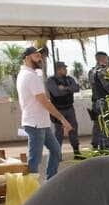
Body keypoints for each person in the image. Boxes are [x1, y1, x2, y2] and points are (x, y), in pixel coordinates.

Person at [17, 47, 72, 180]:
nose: (40, 58)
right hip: (35, 124)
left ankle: (50, 182)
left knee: (56, 151)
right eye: (36, 55)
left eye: (40, 55)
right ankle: (31, 189)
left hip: (41, 123)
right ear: (27, 58)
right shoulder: (29, 76)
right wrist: (62, 119)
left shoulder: (29, 74)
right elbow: (44, 101)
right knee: (34, 160)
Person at [47, 61, 82, 157]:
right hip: (58, 110)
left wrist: (64, 88)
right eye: (64, 68)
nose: (66, 70)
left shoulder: (69, 79)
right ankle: (58, 155)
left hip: (69, 108)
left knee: (73, 130)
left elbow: (77, 88)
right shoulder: (51, 80)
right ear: (58, 69)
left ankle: (77, 152)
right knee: (59, 133)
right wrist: (68, 89)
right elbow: (56, 93)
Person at [88, 51, 109, 150]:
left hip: (96, 102)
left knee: (98, 125)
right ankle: (107, 147)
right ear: (102, 59)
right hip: (106, 102)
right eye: (107, 59)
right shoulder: (103, 71)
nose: (108, 61)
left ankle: (97, 146)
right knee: (108, 125)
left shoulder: (91, 71)